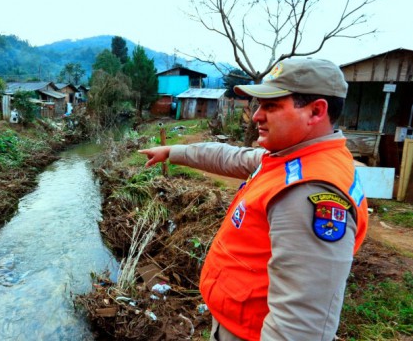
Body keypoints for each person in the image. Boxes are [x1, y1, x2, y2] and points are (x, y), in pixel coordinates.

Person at [139, 58, 368, 341]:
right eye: (258, 105)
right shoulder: (291, 158)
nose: (257, 115)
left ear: (316, 111)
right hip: (236, 323)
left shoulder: (308, 192)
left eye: (271, 106)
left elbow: (299, 325)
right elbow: (230, 157)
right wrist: (173, 151)